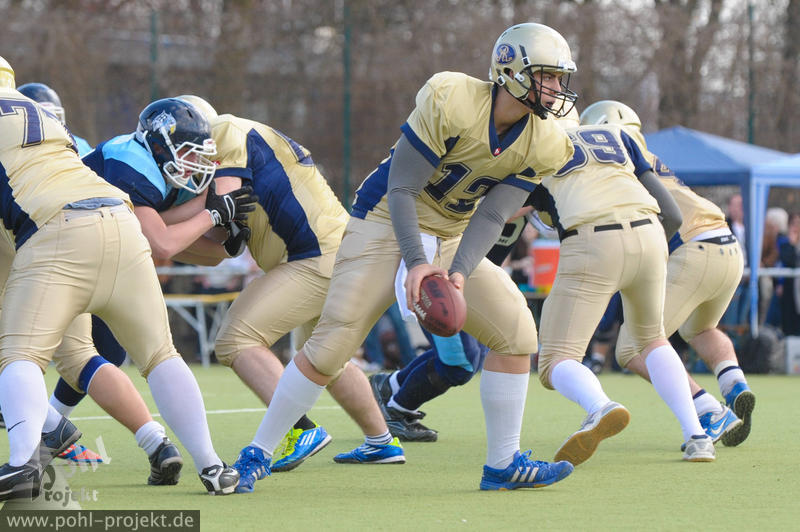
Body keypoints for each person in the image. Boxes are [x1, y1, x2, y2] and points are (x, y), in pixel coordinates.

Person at [230, 22, 580, 493]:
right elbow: (401, 188)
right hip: (383, 219)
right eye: (547, 76)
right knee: (334, 342)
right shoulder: (452, 98)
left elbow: (493, 214)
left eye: (559, 78)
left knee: (516, 332)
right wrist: (417, 261)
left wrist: (458, 273)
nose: (556, 88)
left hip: (452, 230)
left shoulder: (548, 139)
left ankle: (503, 464)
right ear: (511, 69)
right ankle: (257, 453)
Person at [0, 57, 241, 500]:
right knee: (160, 354)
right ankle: (212, 466)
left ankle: (23, 464)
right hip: (120, 219)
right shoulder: (41, 115)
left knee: (19, 353)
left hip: (54, 232)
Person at [173, 95, 403, 475]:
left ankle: (300, 429)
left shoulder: (224, 130)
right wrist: (161, 237)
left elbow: (220, 206)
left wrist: (159, 214)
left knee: (235, 339)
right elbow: (219, 248)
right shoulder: (245, 142)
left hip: (313, 255)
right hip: (335, 250)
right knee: (325, 358)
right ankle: (381, 441)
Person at [532, 105, 716, 466]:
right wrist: (644, 255)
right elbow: (672, 213)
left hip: (591, 240)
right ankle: (697, 435)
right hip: (650, 233)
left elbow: (504, 210)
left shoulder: (536, 144)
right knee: (653, 339)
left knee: (555, 359)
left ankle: (599, 406)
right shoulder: (618, 136)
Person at [581, 100, 756, 448]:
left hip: (693, 249)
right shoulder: (647, 155)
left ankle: (707, 410)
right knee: (699, 329)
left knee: (631, 347)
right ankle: (733, 383)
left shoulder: (616, 162)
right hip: (728, 246)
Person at [16, 82, 92, 157]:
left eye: (53, 115)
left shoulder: (80, 144)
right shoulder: (19, 148)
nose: (50, 123)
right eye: (43, 117)